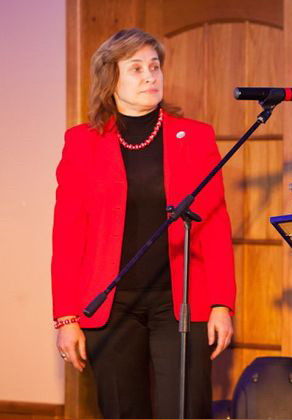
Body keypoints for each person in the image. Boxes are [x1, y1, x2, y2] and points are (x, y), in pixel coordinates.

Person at [51, 29, 236, 419]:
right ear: (111, 79)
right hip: (111, 305)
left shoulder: (195, 137)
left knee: (185, 410)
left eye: (154, 66)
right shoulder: (81, 143)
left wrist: (222, 303)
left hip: (180, 303)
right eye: (136, 68)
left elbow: (215, 226)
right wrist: (66, 317)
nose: (150, 76)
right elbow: (67, 237)